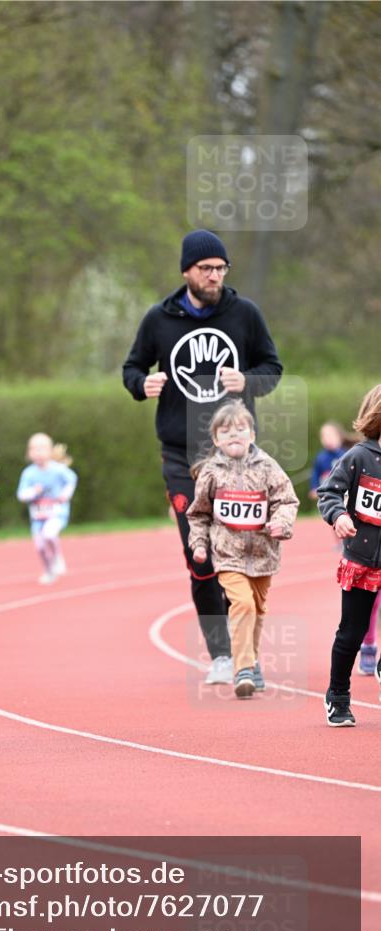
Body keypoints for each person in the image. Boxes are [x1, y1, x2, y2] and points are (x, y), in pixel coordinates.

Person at [122, 229, 283, 686]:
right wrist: (142, 384)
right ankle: (220, 655)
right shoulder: (159, 319)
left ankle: (245, 655)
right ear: (186, 272)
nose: (215, 276)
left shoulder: (245, 314)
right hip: (180, 454)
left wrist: (247, 381)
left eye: (220, 268)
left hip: (235, 457)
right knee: (200, 555)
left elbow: (272, 369)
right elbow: (132, 368)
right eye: (206, 269)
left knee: (241, 554)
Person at [186, 401, 299, 697]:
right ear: (215, 440)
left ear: (252, 434)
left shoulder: (268, 466)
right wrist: (199, 544)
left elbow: (287, 501)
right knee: (243, 604)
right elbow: (198, 514)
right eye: (225, 431)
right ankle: (243, 669)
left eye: (240, 429)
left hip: (264, 554)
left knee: (258, 610)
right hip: (228, 555)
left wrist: (281, 524)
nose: (233, 435)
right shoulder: (211, 472)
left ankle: (252, 662)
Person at [317, 384, 381, 725]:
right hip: (362, 559)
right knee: (351, 633)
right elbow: (329, 492)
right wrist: (339, 515)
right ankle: (338, 695)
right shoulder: (358, 457)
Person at [17, 434, 78, 584]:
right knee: (40, 547)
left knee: (49, 534)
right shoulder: (28, 473)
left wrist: (66, 493)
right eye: (34, 449)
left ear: (50, 451)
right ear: (29, 453)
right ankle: (49, 571)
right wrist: (33, 492)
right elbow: (21, 495)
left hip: (57, 513)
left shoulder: (58, 469)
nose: (38, 452)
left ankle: (57, 557)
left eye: (42, 448)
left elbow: (72, 479)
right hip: (38, 517)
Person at [308, 422, 347, 500]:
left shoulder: (346, 455)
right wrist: (314, 488)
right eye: (324, 437)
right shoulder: (320, 457)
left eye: (330, 436)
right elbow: (315, 474)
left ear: (339, 437)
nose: (327, 439)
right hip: (326, 494)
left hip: (343, 494)